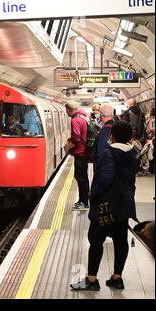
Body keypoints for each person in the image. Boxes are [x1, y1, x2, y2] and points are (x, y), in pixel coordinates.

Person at [71, 121, 138, 291]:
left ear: (112, 135)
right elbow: (132, 182)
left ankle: (92, 280)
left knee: (96, 240)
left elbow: (106, 179)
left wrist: (92, 194)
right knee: (120, 240)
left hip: (105, 204)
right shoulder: (132, 153)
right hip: (123, 203)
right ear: (130, 137)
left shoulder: (109, 153)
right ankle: (117, 277)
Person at [64, 101, 89, 210]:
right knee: (82, 177)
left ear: (69, 109)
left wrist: (68, 147)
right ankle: (83, 200)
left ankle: (83, 202)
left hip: (80, 153)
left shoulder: (75, 120)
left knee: (81, 177)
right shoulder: (83, 117)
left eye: (67, 111)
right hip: (84, 152)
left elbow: (77, 138)